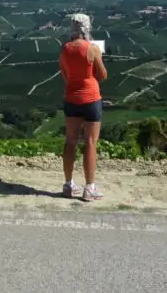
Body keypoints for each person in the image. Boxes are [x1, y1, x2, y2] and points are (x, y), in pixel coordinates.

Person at [58, 12, 107, 201]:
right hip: (91, 98)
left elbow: (64, 74)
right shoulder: (92, 49)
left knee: (70, 141)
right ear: (87, 27)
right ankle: (90, 188)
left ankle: (69, 184)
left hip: (71, 98)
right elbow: (102, 75)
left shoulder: (64, 49)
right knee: (90, 142)